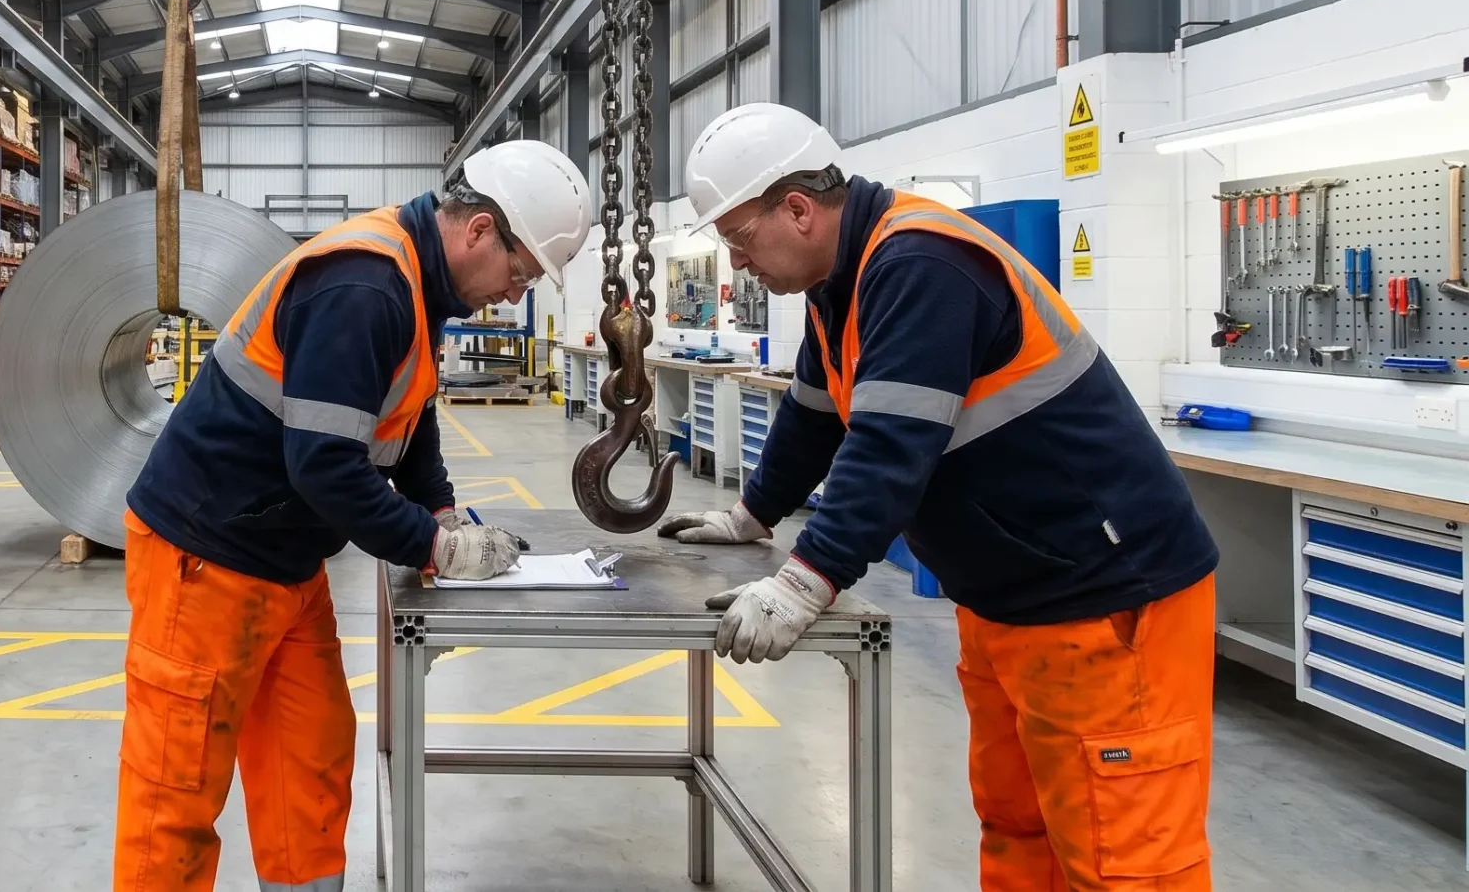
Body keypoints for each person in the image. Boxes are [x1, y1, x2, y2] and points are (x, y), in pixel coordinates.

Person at [659, 103, 1220, 892]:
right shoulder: (840, 284)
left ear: (797, 208)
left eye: (741, 239)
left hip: (1102, 601)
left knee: (1125, 862)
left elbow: (890, 443)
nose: (739, 262)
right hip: (1006, 600)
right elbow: (814, 415)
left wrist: (800, 582)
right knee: (1019, 830)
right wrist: (747, 516)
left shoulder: (921, 263)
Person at [112, 139, 591, 892]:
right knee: (176, 790)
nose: (513, 293)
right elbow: (324, 464)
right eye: (521, 271)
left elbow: (408, 414)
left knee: (312, 763)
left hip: (285, 557)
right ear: (478, 232)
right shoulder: (364, 285)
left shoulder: (418, 286)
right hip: (205, 556)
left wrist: (439, 507)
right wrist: (436, 548)